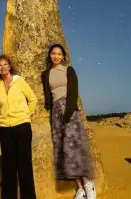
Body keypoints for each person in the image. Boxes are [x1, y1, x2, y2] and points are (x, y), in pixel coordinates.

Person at [41, 44, 96, 199]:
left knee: (75, 149)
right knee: (64, 151)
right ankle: (79, 188)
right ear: (50, 56)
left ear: (63, 56)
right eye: (53, 53)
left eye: (59, 54)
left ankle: (89, 185)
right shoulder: (46, 74)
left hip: (69, 110)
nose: (56, 56)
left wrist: (67, 114)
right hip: (55, 113)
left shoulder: (68, 70)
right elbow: (48, 95)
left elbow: (73, 93)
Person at [0, 55, 37, 199]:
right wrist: (1, 118)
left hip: (22, 126)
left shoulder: (19, 81)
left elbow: (32, 99)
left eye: (5, 64)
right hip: (5, 128)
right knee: (9, 167)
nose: (2, 67)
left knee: (24, 165)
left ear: (10, 66)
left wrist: (26, 115)